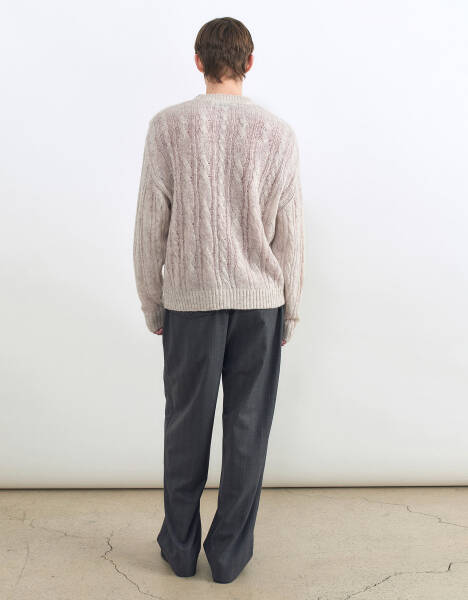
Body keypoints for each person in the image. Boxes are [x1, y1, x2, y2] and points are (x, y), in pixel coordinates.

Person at [133, 16, 304, 584]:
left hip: (189, 302)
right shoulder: (278, 134)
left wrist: (153, 302)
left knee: (185, 425)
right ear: (249, 63)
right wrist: (290, 309)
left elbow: (150, 225)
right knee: (248, 427)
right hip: (260, 303)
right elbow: (290, 234)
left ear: (198, 62)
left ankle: (180, 550)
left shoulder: (168, 128)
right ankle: (228, 557)